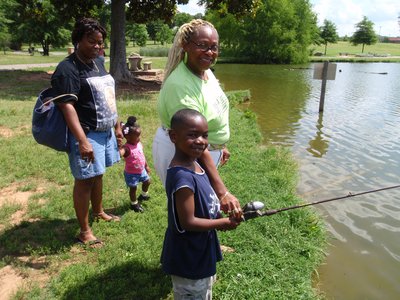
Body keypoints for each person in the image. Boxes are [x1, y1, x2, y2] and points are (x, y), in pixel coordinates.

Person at [152, 19, 242, 218]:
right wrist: (222, 191)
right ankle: (191, 247)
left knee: (203, 203)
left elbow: (212, 112)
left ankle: (206, 242)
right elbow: (191, 139)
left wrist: (220, 145)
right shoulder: (181, 86)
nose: (209, 52)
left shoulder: (205, 72)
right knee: (189, 210)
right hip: (186, 151)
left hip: (204, 149)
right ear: (185, 45)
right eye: (202, 45)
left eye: (213, 47)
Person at [51, 18, 122, 247]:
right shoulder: (67, 69)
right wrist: (82, 141)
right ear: (78, 40)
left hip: (105, 130)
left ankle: (99, 212)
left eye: (100, 42)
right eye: (91, 41)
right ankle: (84, 230)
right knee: (84, 180)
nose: (97, 47)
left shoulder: (97, 62)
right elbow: (67, 106)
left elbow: (107, 96)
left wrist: (117, 126)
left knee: (98, 174)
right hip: (87, 133)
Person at [161, 109, 241, 299]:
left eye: (204, 135)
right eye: (192, 135)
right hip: (188, 256)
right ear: (174, 136)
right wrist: (222, 224)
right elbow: (188, 222)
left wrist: (219, 208)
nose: (200, 141)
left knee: (203, 291)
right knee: (194, 292)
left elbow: (202, 199)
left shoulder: (195, 163)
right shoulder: (182, 177)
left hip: (200, 248)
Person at [119, 116, 151, 213]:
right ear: (128, 137)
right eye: (137, 136)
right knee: (133, 189)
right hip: (131, 174)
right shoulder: (126, 148)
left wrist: (146, 166)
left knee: (147, 181)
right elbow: (120, 153)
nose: (139, 138)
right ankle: (134, 204)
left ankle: (143, 194)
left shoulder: (138, 144)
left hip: (141, 170)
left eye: (139, 135)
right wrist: (119, 145)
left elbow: (142, 156)